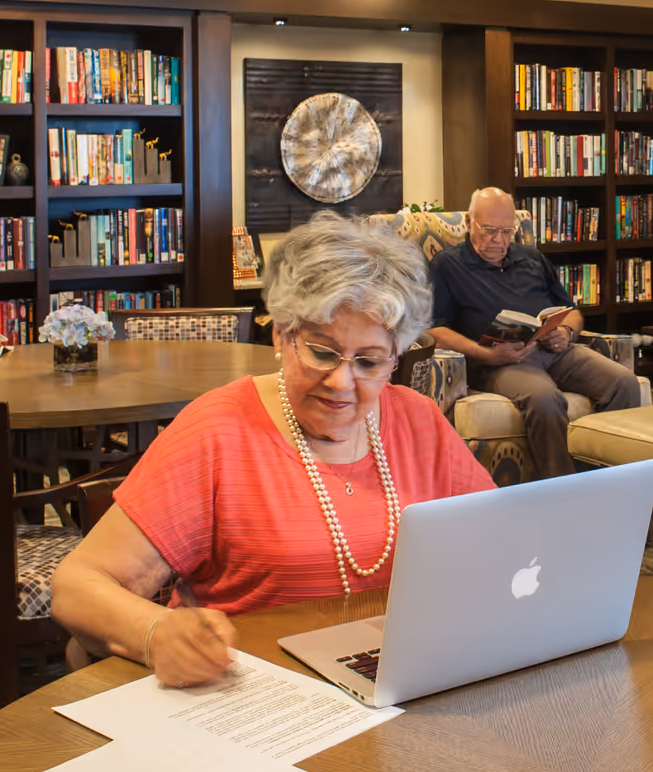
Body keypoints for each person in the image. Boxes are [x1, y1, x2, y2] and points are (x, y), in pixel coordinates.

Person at [51, 212, 494, 688]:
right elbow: (76, 587)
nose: (342, 382)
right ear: (282, 335)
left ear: (397, 355)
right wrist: (156, 633)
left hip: (399, 684)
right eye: (322, 352)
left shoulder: (418, 420)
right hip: (254, 695)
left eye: (369, 361)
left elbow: (501, 545)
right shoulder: (217, 431)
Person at [425, 187, 640, 479]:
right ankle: (563, 493)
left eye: (506, 231)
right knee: (545, 399)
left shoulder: (532, 258)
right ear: (467, 222)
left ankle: (614, 482)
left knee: (624, 383)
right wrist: (486, 354)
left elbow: (572, 311)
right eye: (489, 230)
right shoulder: (447, 264)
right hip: (499, 361)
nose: (498, 240)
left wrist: (565, 330)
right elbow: (434, 329)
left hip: (554, 351)